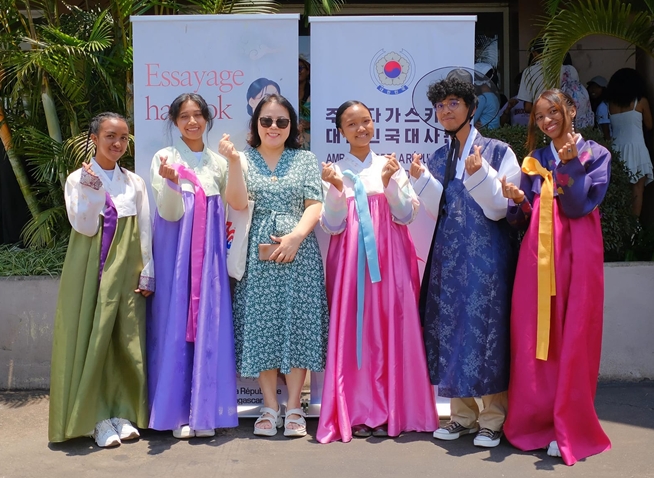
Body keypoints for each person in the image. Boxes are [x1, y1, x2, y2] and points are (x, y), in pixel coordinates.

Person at [316, 101, 438, 443]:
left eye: (366, 121)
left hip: (392, 259)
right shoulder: (334, 171)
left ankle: (394, 409)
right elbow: (334, 224)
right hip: (350, 261)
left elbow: (404, 215)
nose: (361, 129)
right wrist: (337, 190)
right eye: (352, 124)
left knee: (392, 325)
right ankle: (356, 409)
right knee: (356, 331)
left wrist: (390, 184)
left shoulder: (389, 164)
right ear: (340, 131)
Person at [501, 89, 612, 465]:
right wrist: (518, 201)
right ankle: (535, 422)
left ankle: (569, 424)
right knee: (536, 334)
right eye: (540, 117)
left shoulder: (595, 155)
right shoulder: (534, 159)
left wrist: (569, 167)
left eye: (553, 113)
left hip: (578, 251)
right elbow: (525, 218)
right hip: (538, 254)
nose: (547, 121)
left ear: (572, 110)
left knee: (574, 333)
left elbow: (579, 205)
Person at [411, 76, 520, 448]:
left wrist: (482, 175)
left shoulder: (499, 151)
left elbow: (501, 209)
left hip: (488, 257)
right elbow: (437, 207)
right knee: (451, 329)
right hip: (449, 258)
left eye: (453, 103)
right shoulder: (438, 157)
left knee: (487, 329)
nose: (445, 111)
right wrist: (420, 180)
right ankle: (461, 415)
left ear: (472, 108)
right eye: (440, 106)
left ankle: (493, 417)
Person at [49, 112, 154, 447]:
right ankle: (94, 418)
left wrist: (148, 268)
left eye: (123, 138)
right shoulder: (77, 178)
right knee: (92, 336)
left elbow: (146, 228)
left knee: (126, 337)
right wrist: (93, 189)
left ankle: (122, 411)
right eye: (110, 136)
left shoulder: (134, 182)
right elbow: (83, 225)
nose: (117, 144)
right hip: (92, 263)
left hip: (128, 266)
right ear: (93, 138)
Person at [147, 93, 246, 439]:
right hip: (176, 254)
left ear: (207, 119)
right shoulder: (164, 158)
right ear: (174, 122)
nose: (192, 122)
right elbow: (169, 213)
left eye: (198, 115)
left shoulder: (218, 163)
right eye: (184, 116)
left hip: (210, 258)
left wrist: (234, 162)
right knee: (176, 325)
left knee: (209, 325)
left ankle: (204, 412)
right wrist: (172, 181)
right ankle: (176, 414)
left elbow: (236, 204)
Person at [232, 93, 329, 438]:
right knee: (262, 324)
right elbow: (237, 202)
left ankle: (294, 407)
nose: (274, 127)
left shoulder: (304, 160)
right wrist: (231, 162)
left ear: (293, 126)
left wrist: (295, 238)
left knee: (298, 323)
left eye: (282, 121)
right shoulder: (242, 160)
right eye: (266, 121)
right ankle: (269, 406)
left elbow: (315, 205)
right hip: (256, 255)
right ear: (256, 124)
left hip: (299, 254)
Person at [607, 68, 653, 217]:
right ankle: (634, 231)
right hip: (637, 149)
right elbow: (649, 125)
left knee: (622, 191)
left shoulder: (611, 105)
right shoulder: (641, 102)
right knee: (638, 190)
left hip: (617, 149)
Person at [517, 40, 594, 129]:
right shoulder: (570, 70)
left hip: (544, 125)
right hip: (569, 123)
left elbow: (527, 107)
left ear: (534, 53)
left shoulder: (529, 72)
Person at [473, 63, 501, 129]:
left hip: (484, 133)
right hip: (493, 132)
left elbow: (471, 119)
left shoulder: (482, 98)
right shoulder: (494, 97)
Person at [587, 76, 611, 140]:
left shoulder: (602, 106)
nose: (593, 89)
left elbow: (606, 131)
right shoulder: (593, 104)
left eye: (597, 87)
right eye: (591, 86)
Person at [299, 58, 311, 150]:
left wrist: (310, 124)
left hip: (311, 140)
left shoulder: (315, 93)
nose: (297, 71)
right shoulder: (287, 91)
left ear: (308, 72)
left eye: (300, 68)